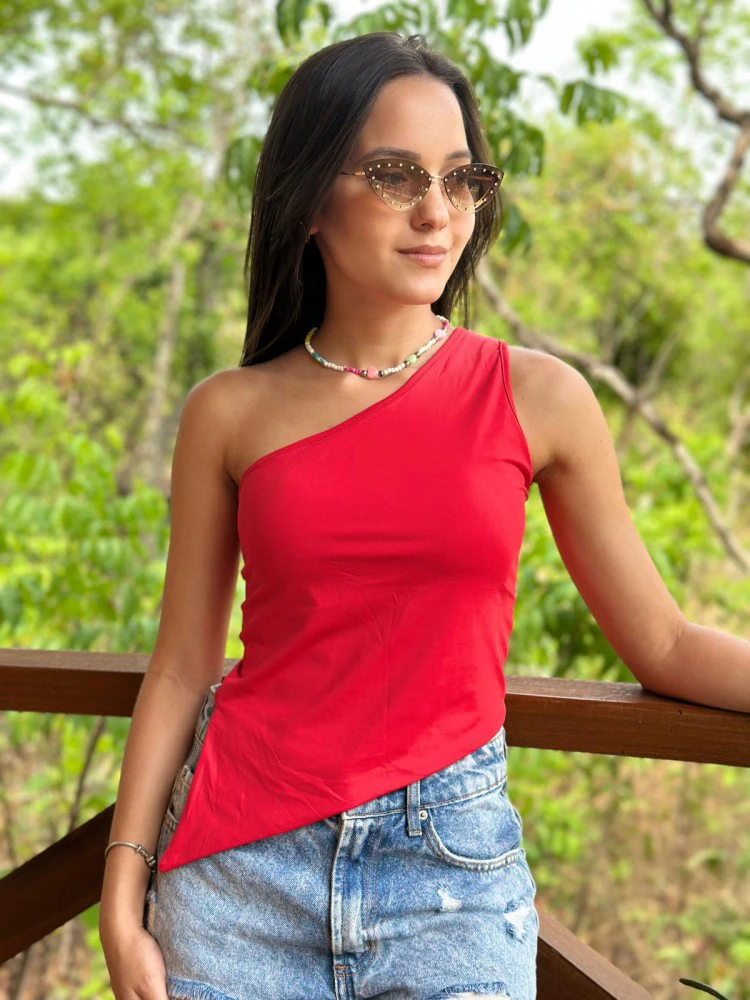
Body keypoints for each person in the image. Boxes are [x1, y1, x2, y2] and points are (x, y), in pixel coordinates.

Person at [103, 29, 568, 1000]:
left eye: (462, 179)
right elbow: (183, 664)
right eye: (395, 176)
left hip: (450, 886)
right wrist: (121, 888)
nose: (437, 211)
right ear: (310, 198)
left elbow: (661, 638)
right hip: (239, 881)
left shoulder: (535, 395)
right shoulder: (229, 411)